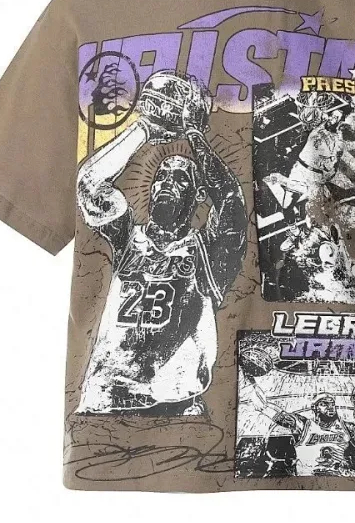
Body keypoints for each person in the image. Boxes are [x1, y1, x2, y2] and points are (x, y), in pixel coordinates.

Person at [75, 72, 247, 415]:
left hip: (171, 408)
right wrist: (144, 128)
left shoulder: (208, 253)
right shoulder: (129, 237)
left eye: (180, 178)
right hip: (104, 402)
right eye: (161, 177)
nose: (166, 182)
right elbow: (90, 184)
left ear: (198, 194)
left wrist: (194, 133)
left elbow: (230, 199)